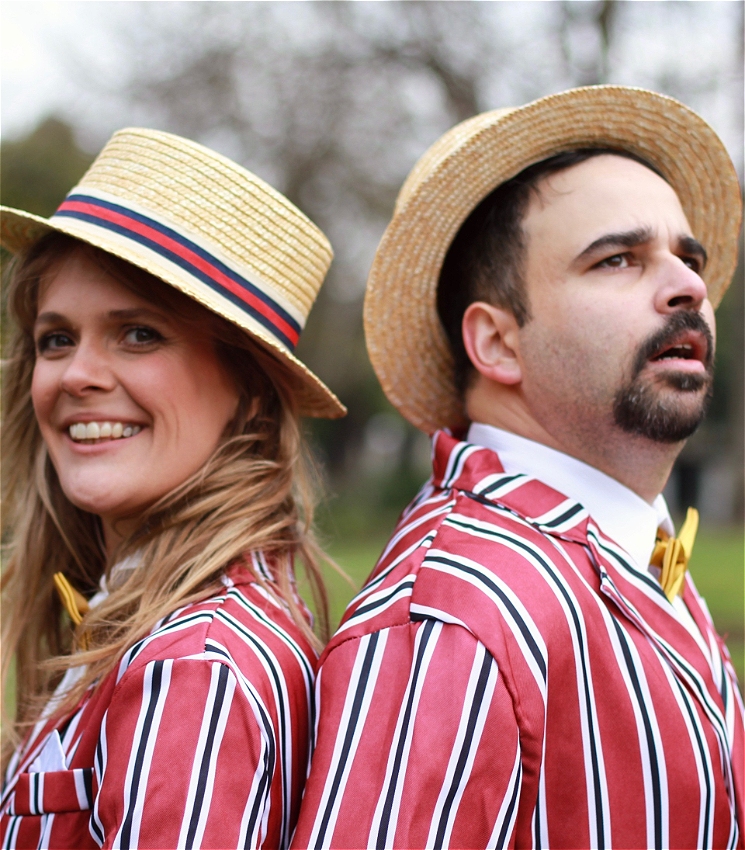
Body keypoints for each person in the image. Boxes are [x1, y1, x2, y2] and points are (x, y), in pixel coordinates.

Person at [292, 86, 744, 848]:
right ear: (497, 343)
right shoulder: (456, 612)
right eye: (617, 259)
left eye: (685, 258)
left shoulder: (638, 558)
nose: (688, 286)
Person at [0, 127, 346, 849]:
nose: (77, 375)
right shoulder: (138, 628)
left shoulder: (195, 669)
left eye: (139, 335)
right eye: (56, 339)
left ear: (250, 392)